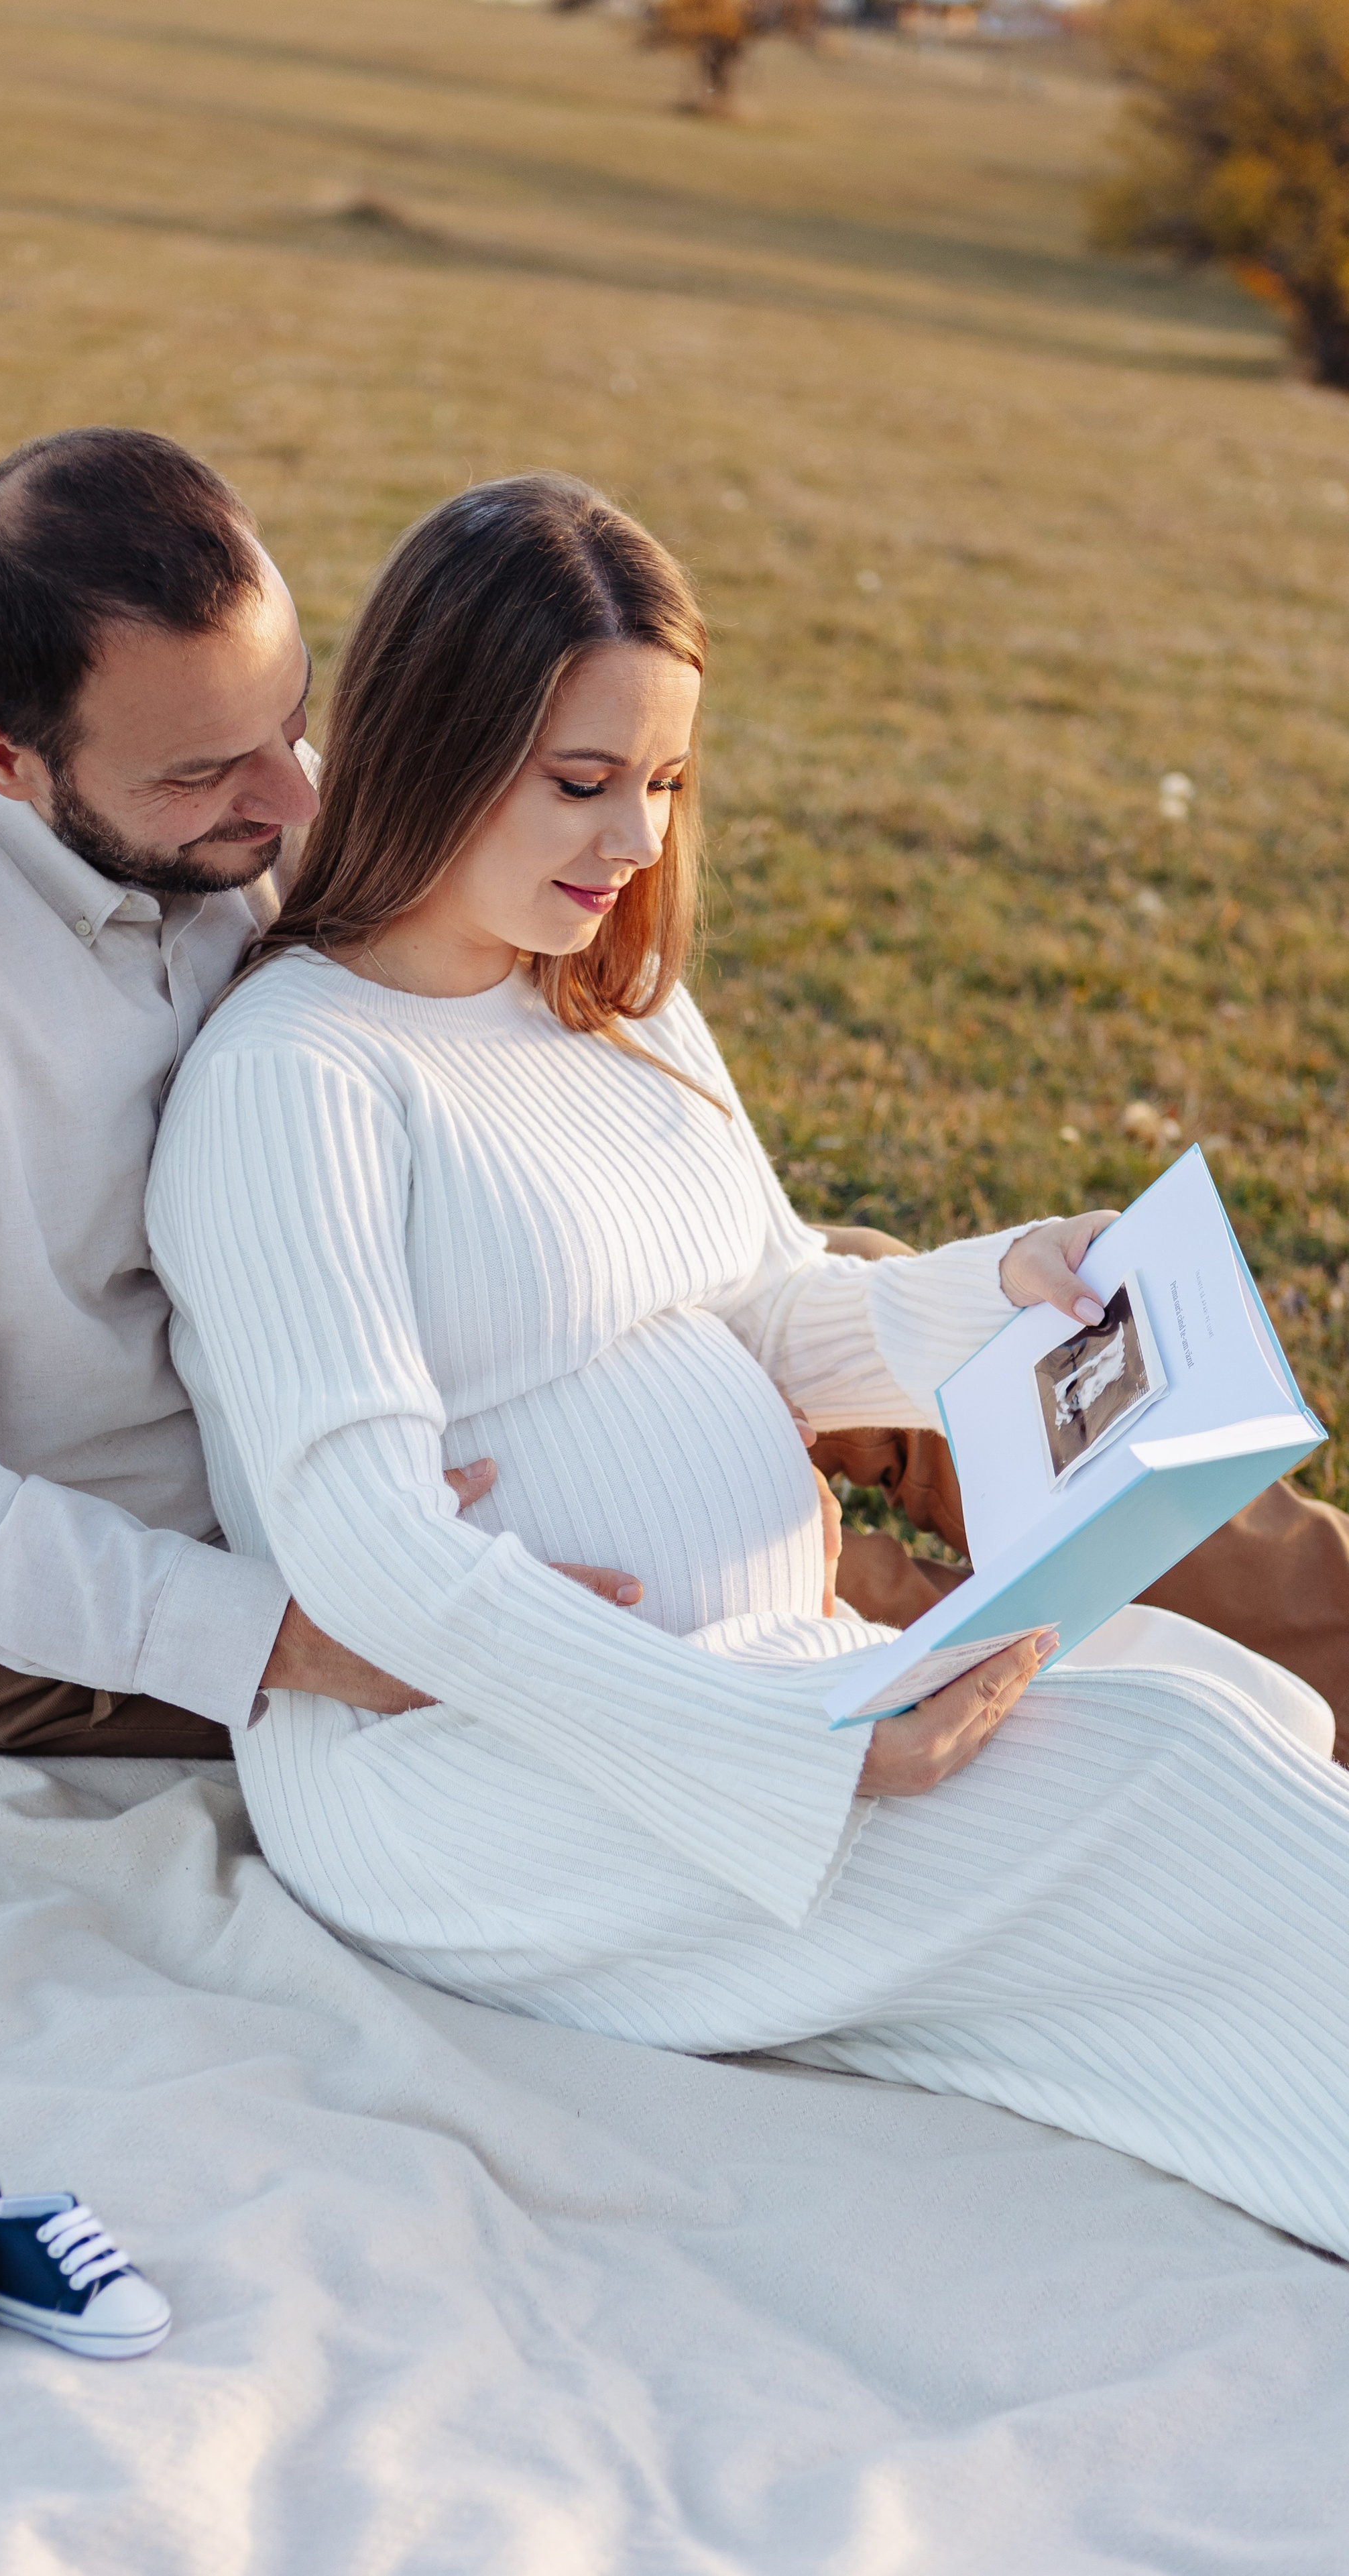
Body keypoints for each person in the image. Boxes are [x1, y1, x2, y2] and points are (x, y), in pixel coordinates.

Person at [148, 473, 1349, 2259]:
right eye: (583, 781)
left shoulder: (600, 992)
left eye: (666, 781)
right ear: (434, 744)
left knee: (1226, 1704)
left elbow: (770, 1304)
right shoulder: (302, 1078)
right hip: (475, 1778)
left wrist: (999, 1287)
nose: (633, 838)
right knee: (1180, 1772)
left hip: (762, 1680)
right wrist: (779, 1740)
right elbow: (372, 1550)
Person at [0, 428, 636, 1761]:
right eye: (201, 774)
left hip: (355, 1422)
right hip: (93, 1608)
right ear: (3, 759)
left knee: (829, 1312)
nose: (296, 797)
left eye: (292, 718)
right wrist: (299, 1634)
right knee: (629, 1682)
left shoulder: (231, 784)